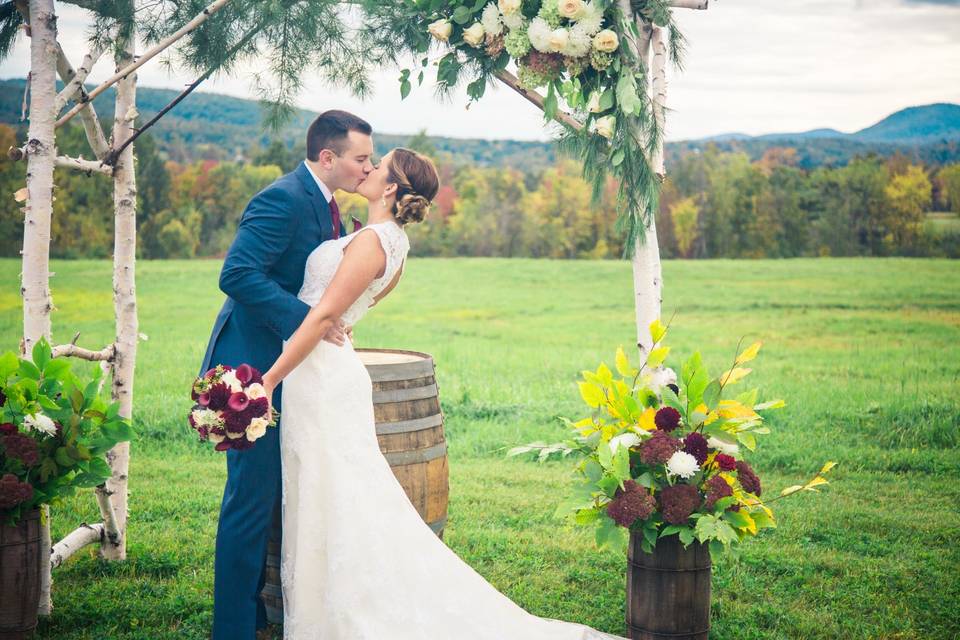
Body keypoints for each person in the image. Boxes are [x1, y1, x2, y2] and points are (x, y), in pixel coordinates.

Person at [260, 147, 625, 639]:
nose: (366, 170)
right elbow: (347, 314)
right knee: (328, 494)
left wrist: (269, 379)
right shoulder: (395, 245)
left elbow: (327, 317)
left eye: (377, 165)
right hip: (327, 372)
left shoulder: (372, 241)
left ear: (390, 187)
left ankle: (347, 614)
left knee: (336, 497)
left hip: (318, 376)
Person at [199, 110, 375, 640]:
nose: (368, 167)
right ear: (328, 158)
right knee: (250, 502)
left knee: (270, 497)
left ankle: (258, 618)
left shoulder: (328, 205)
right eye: (360, 158)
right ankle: (232, 630)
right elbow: (236, 274)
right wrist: (313, 323)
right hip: (250, 370)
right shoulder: (284, 198)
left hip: (287, 367)